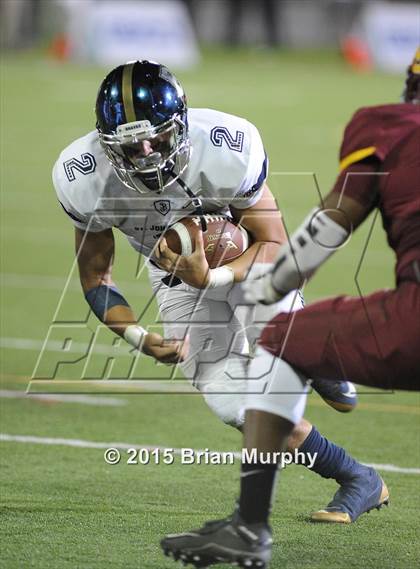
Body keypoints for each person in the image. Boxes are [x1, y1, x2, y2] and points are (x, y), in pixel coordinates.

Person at [53, 59, 380, 534]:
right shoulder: (82, 176)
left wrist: (215, 278)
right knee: (234, 404)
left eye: (157, 140)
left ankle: (315, 354)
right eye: (128, 147)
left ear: (181, 124)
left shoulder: (225, 144)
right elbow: (96, 276)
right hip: (172, 272)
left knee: (274, 340)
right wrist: (139, 336)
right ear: (104, 143)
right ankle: (358, 477)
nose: (146, 156)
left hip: (245, 250)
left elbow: (273, 243)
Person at [159, 48, 420, 569]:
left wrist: (264, 286)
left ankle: (249, 528)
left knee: (281, 337)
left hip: (410, 320)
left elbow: (327, 229)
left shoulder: (387, 128)